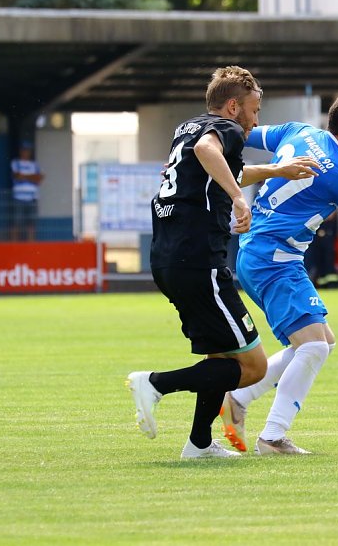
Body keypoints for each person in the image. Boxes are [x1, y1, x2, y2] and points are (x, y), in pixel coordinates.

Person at [125, 66, 319, 460]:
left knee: (221, 354)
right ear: (234, 106)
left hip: (169, 258)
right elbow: (209, 153)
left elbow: (222, 165)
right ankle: (156, 383)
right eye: (254, 109)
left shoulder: (190, 126)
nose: (255, 119)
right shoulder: (225, 130)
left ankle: (198, 444)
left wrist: (277, 170)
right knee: (252, 367)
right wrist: (238, 198)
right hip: (200, 261)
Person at [220, 93, 338, 455]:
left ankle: (239, 399)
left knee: (322, 340)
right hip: (274, 260)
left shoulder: (298, 131)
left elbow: (246, 133)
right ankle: (272, 437)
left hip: (258, 254)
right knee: (313, 345)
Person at [10, 142, 44, 241]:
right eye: (24, 150)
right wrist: (32, 177)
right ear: (20, 151)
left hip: (32, 197)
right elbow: (17, 176)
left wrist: (24, 176)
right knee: (16, 221)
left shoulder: (35, 164)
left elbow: (39, 178)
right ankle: (14, 244)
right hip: (18, 198)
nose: (26, 152)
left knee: (31, 223)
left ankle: (31, 243)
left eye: (28, 150)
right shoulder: (15, 162)